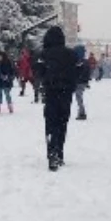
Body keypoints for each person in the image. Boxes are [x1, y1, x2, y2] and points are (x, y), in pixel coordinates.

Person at [37, 26, 77, 170]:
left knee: (51, 123)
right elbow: (79, 69)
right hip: (66, 93)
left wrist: (46, 81)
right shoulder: (71, 54)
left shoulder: (44, 54)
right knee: (62, 123)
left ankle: (52, 152)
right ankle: (60, 152)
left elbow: (39, 71)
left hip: (51, 92)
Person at [73, 44, 91, 121]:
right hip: (81, 82)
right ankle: (81, 112)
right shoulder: (84, 61)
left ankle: (82, 113)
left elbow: (82, 73)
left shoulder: (80, 62)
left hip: (79, 82)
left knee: (78, 97)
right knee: (78, 97)